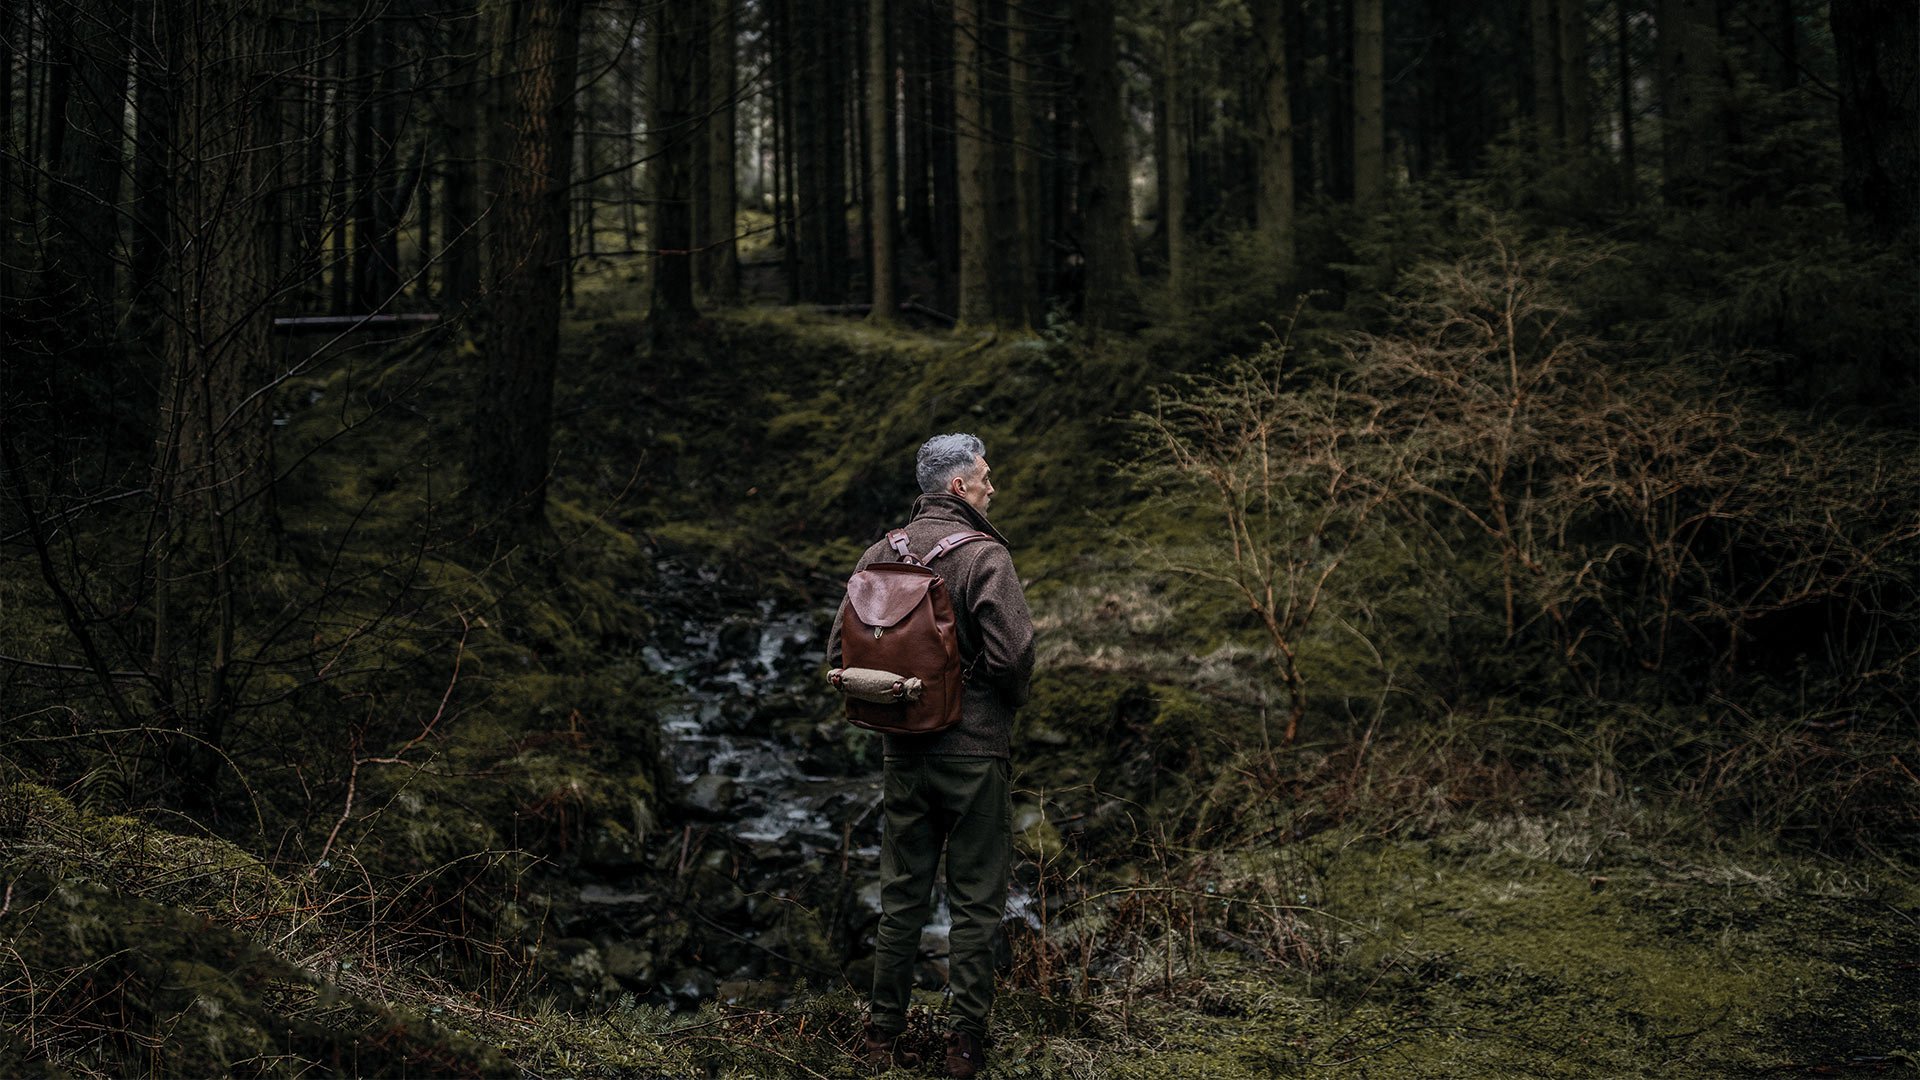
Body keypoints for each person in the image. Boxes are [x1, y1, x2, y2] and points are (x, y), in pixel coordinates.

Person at [828, 433, 1036, 1078]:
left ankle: (880, 1035)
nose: (991, 487)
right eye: (985, 477)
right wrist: (1000, 706)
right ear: (956, 487)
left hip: (904, 753)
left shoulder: (879, 552)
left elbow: (840, 653)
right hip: (974, 755)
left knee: (902, 899)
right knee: (975, 901)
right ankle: (963, 1044)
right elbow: (1013, 656)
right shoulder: (983, 556)